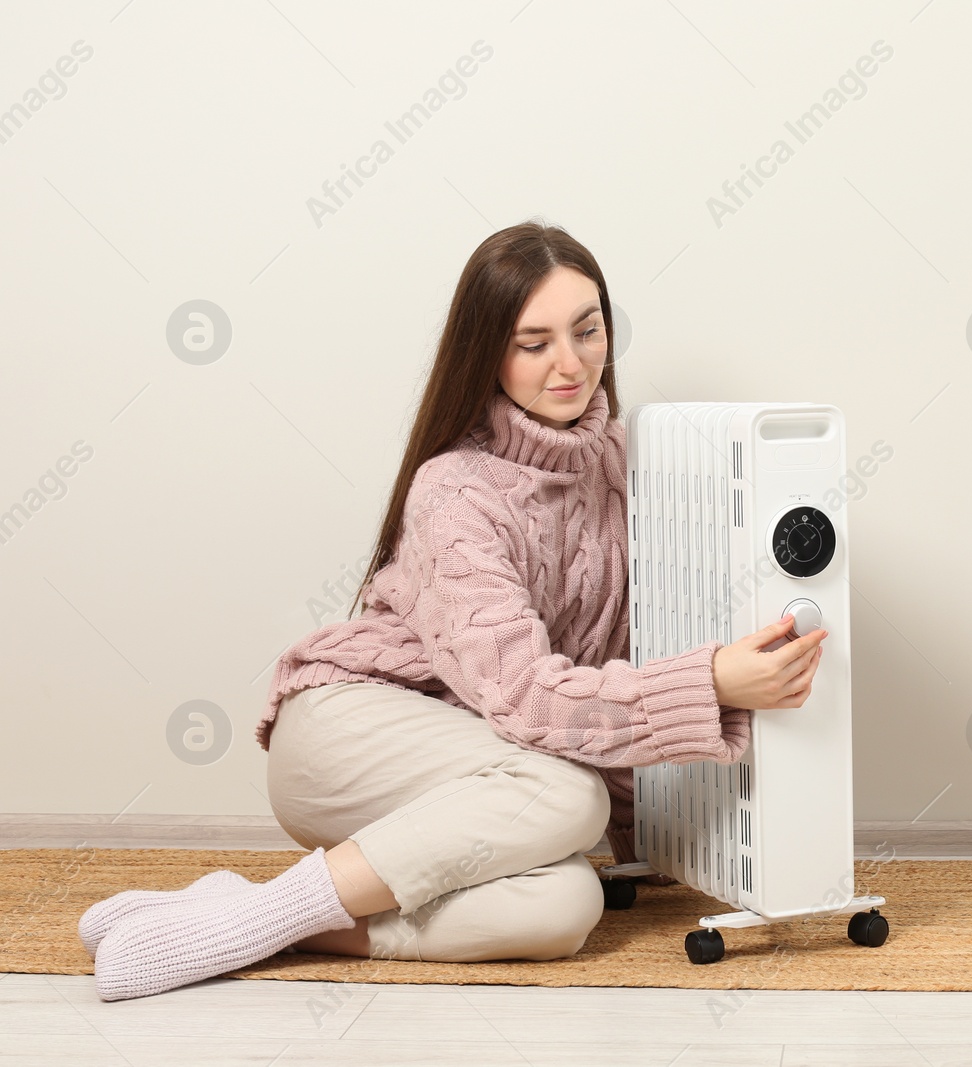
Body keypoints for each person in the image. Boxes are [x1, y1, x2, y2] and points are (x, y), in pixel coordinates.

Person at [81, 220, 829, 1001]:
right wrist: (708, 683)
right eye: (532, 342)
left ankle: (257, 912)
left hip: (485, 765)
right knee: (569, 796)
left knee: (567, 904)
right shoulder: (456, 489)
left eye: (587, 329)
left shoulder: (627, 467)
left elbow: (608, 670)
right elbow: (529, 697)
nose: (569, 363)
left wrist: (671, 832)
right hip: (349, 732)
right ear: (487, 352)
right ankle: (250, 924)